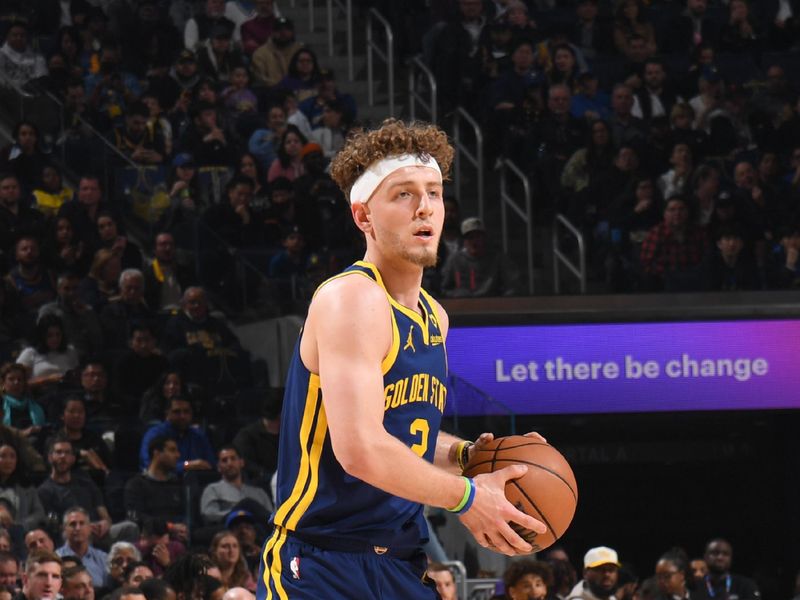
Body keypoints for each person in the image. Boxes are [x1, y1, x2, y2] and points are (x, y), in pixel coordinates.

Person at [258, 119, 546, 599]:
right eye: (404, 195)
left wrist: (465, 456)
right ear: (363, 216)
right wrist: (468, 498)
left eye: (433, 193)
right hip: (324, 561)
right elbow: (362, 450)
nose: (425, 208)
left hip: (400, 560)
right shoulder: (350, 298)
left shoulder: (434, 315)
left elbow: (402, 436)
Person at [37, 436, 136, 544]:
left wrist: (105, 524)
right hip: (72, 536)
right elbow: (54, 527)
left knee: (130, 528)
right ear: (50, 457)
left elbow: (105, 516)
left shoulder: (86, 482)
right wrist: (84, 528)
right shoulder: (44, 491)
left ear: (73, 458)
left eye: (67, 453)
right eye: (59, 452)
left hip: (98, 533)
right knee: (75, 535)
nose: (63, 456)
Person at [440, 217, 520, 298]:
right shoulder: (454, 260)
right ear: (464, 241)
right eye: (470, 238)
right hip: (462, 305)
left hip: (492, 304)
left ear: (484, 238)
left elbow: (512, 285)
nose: (474, 242)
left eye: (478, 237)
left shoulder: (497, 259)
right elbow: (443, 288)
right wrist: (455, 295)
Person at [139, 397, 214, 473]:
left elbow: (211, 464)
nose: (182, 416)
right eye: (177, 412)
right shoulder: (155, 434)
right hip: (162, 482)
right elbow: (149, 465)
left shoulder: (198, 435)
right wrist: (186, 465)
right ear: (167, 414)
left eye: (186, 411)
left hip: (196, 482)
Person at [123, 436, 186, 527]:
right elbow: (134, 516)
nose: (178, 455)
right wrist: (168, 526)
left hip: (177, 537)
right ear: (157, 453)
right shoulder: (136, 484)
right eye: (172, 450)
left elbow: (186, 514)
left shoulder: (177, 484)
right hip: (148, 536)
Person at [200, 446, 272, 525]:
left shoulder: (259, 492)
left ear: (241, 462)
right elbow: (209, 515)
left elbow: (270, 517)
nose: (229, 463)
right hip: (228, 527)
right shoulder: (212, 489)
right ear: (218, 467)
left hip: (257, 530)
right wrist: (238, 514)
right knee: (247, 503)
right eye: (224, 460)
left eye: (233, 459)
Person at [55, 507, 108, 588]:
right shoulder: (56, 559)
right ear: (64, 529)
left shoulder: (103, 558)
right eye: (73, 524)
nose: (78, 528)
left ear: (90, 528)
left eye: (82, 523)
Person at [693, 539, 759, 600]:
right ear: (705, 557)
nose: (720, 557)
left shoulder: (746, 585)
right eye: (715, 553)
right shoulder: (694, 586)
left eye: (725, 554)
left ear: (731, 558)